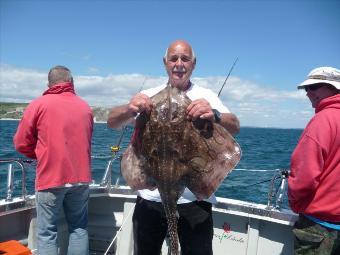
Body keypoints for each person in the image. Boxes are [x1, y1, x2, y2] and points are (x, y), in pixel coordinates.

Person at [107, 40, 240, 255]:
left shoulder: (207, 96)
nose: (179, 63)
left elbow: (235, 125)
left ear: (193, 64)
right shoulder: (148, 95)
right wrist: (130, 109)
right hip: (150, 199)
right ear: (165, 63)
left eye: (185, 59)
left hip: (194, 199)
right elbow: (113, 122)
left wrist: (214, 114)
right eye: (174, 58)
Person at [13, 65, 94, 255]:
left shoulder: (39, 104)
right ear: (71, 82)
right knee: (79, 228)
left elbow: (20, 143)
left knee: (47, 233)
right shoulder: (85, 106)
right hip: (81, 178)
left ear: (49, 84)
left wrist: (38, 154)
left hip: (51, 177)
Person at [288, 66, 340, 254]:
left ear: (334, 88)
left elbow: (305, 177)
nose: (309, 93)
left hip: (319, 229)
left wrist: (295, 203)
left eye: (315, 86)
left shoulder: (323, 120)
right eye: (306, 88)